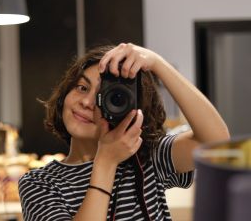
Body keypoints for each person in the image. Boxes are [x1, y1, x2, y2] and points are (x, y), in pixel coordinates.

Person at [18, 43, 230, 220]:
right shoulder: (39, 184)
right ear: (65, 94)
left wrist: (157, 64)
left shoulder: (146, 158)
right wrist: (106, 161)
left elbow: (217, 144)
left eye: (107, 96)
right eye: (82, 87)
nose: (87, 102)